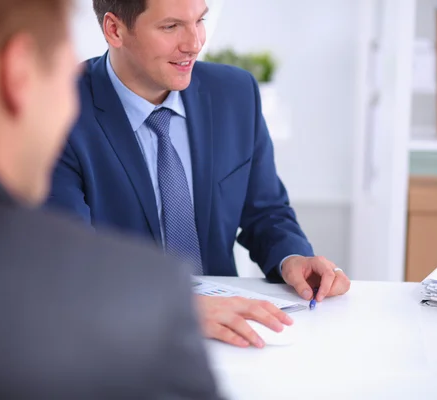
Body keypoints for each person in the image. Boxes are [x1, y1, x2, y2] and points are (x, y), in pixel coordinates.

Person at [46, 0, 352, 348]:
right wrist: (178, 308)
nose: (194, 43)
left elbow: (267, 212)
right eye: (171, 26)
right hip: (122, 340)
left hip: (232, 333)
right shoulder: (58, 108)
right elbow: (68, 263)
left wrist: (293, 258)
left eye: (199, 20)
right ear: (115, 30)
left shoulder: (235, 94)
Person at [0, 0, 222, 398]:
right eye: (65, 63)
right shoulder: (135, 298)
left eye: (199, 21)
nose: (194, 42)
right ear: (18, 71)